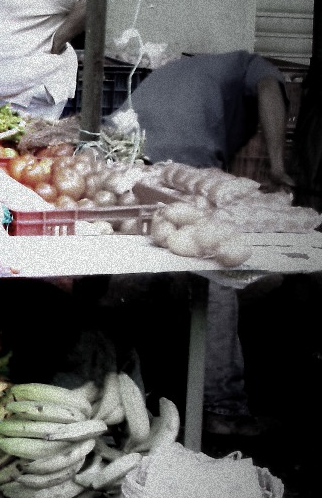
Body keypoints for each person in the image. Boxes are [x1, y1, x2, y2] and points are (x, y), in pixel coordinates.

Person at [108, 50, 295, 437]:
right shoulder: (253, 66)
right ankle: (221, 407)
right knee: (214, 268)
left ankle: (142, 384)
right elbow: (269, 89)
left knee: (157, 250)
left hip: (123, 144)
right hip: (174, 148)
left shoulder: (197, 71)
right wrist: (278, 165)